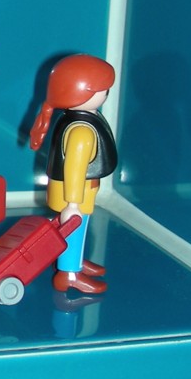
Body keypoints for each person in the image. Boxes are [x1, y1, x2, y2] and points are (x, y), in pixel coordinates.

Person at [29, 54, 116, 294]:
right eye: (103, 89)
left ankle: (74, 261)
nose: (106, 93)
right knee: (73, 230)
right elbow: (74, 170)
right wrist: (73, 204)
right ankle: (68, 273)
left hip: (77, 191)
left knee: (78, 230)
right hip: (74, 194)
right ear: (81, 93)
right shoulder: (82, 131)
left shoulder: (82, 119)